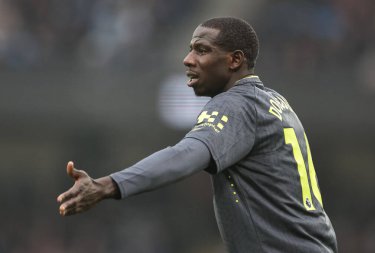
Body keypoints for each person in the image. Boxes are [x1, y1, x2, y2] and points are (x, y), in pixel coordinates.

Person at [57, 17, 338, 253]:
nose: (188, 59)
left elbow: (187, 154)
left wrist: (108, 185)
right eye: (190, 49)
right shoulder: (275, 103)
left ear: (234, 60)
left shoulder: (235, 104)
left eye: (201, 50)